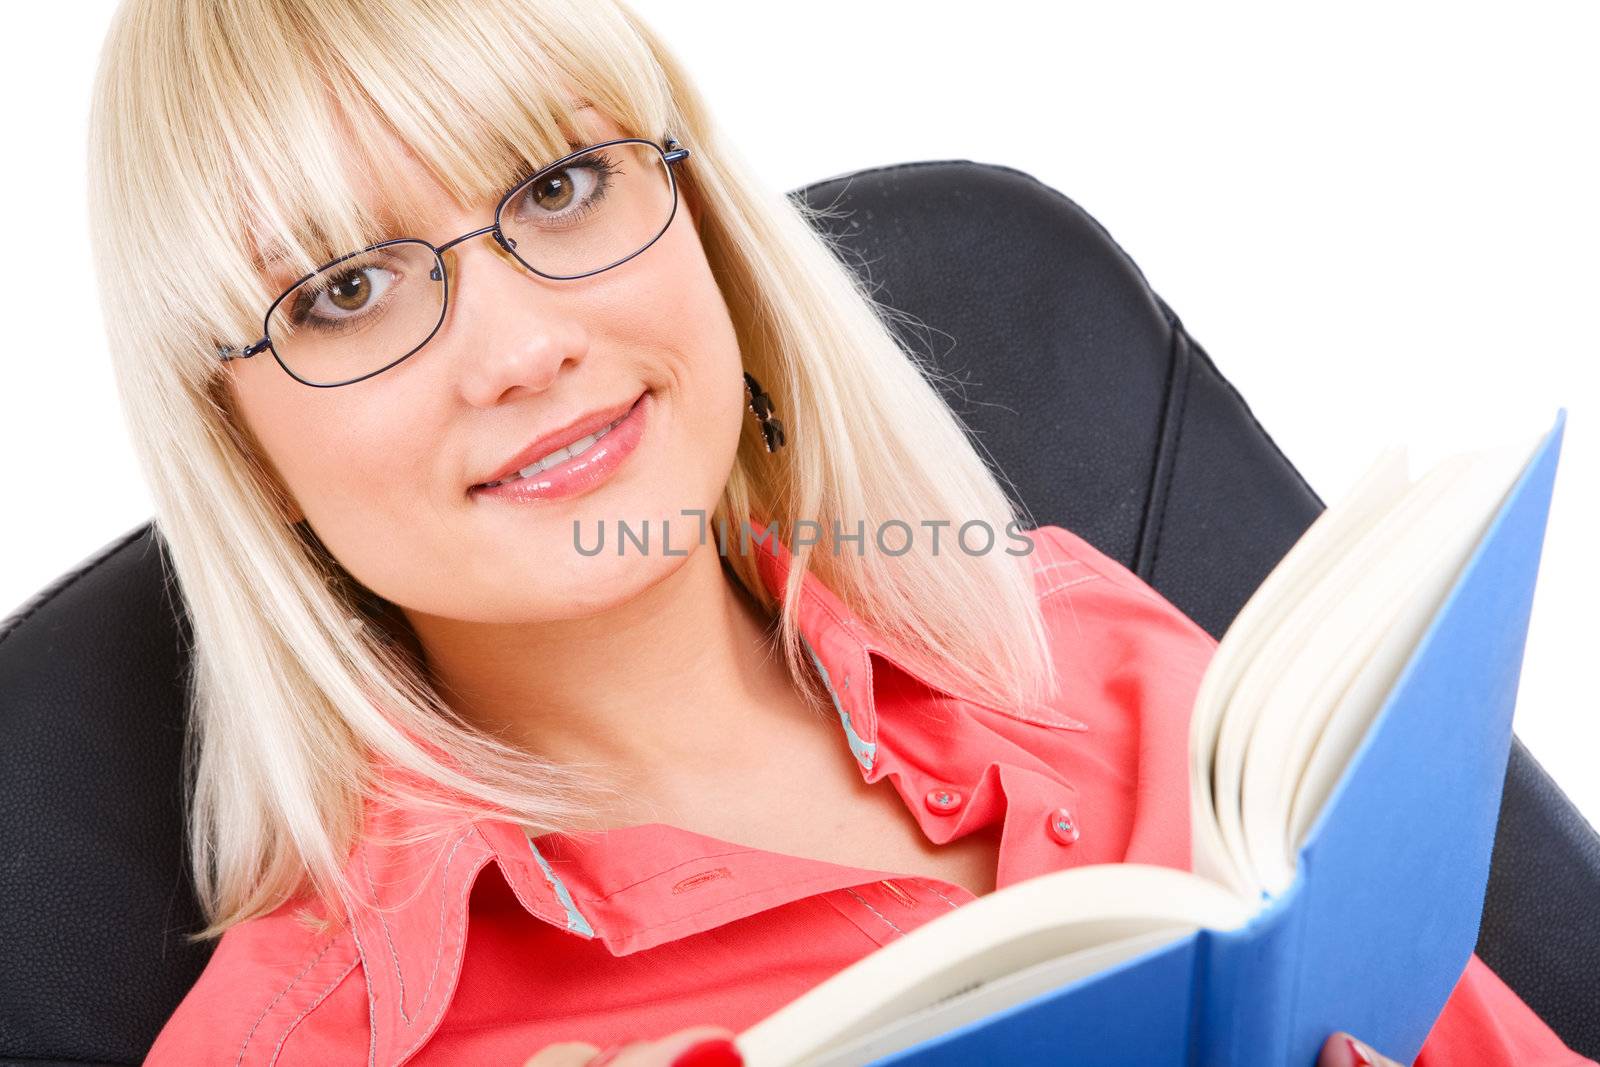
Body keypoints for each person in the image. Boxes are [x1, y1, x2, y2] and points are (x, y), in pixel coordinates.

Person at [81, 1, 1591, 1064]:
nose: (522, 348)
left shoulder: (1077, 644)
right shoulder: (308, 1048)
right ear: (241, 448)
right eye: (343, 289)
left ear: (701, 221)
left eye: (559, 185)